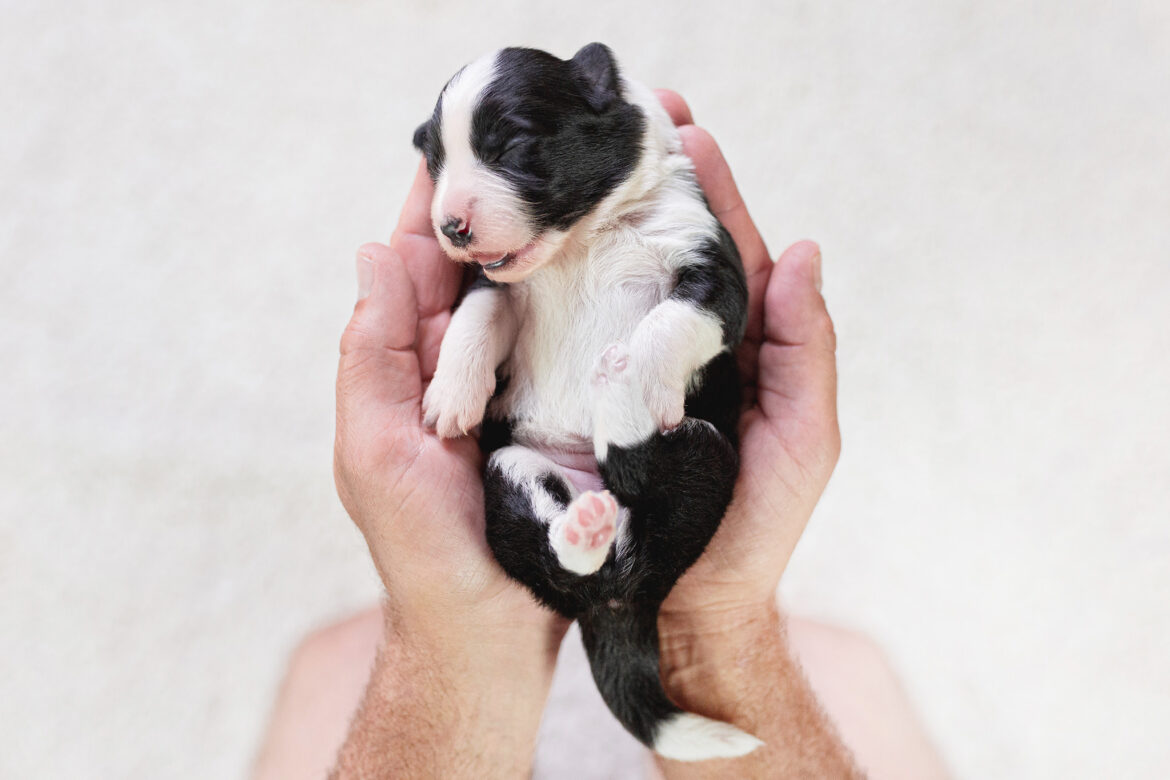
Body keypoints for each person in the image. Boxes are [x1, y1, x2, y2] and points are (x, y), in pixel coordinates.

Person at [254, 91, 949, 779]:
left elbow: (705, 305)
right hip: (544, 494)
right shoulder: (328, 665)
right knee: (521, 472)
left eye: (514, 157)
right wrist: (454, 641)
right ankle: (572, 543)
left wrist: (720, 626)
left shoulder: (852, 664)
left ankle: (607, 525)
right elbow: (488, 316)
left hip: (658, 480)